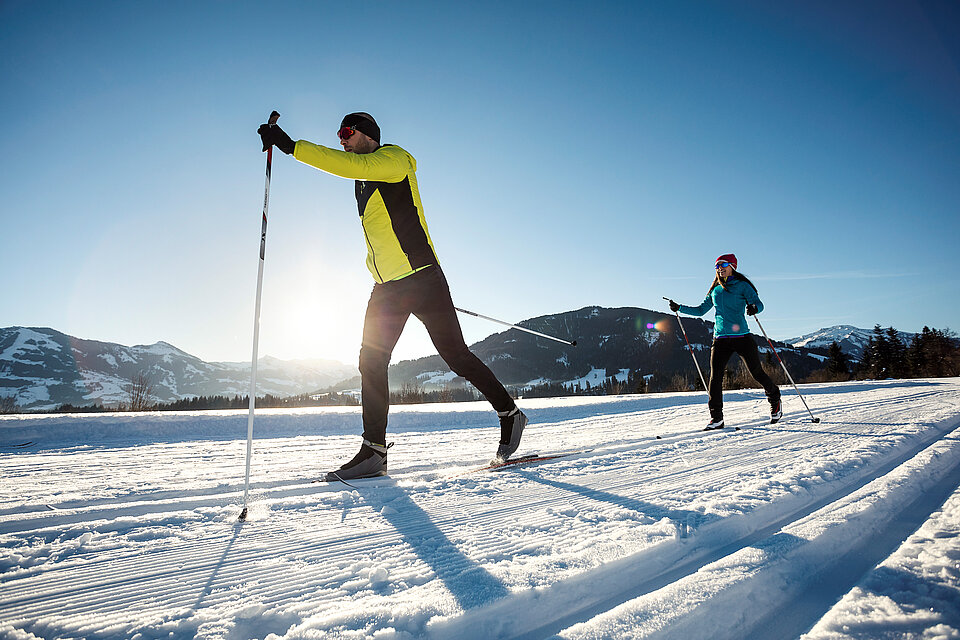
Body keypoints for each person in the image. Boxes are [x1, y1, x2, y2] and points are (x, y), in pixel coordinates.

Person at [258, 112, 527, 479]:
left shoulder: (393, 159)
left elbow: (344, 164)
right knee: (370, 361)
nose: (342, 139)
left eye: (346, 132)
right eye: (339, 134)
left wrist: (290, 146)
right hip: (387, 287)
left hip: (423, 278)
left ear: (367, 134)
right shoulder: (363, 180)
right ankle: (374, 451)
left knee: (456, 356)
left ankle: (510, 414)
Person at [667, 254, 782, 430]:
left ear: (733, 266)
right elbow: (700, 310)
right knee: (715, 377)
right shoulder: (715, 289)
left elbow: (759, 303)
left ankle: (775, 399)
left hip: (742, 337)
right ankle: (716, 418)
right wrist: (679, 308)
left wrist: (753, 308)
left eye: (723, 265)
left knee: (756, 373)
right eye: (717, 266)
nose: (720, 269)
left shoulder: (743, 286)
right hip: (720, 339)